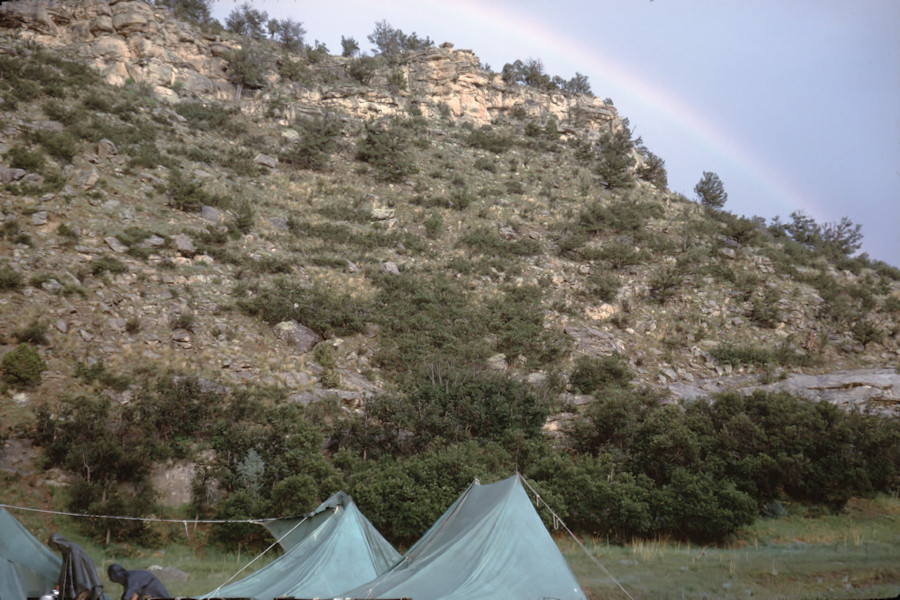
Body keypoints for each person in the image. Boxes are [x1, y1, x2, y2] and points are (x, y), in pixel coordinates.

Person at [46, 533, 104, 600]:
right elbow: (67, 573)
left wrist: (81, 589)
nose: (55, 550)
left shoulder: (73, 550)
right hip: (83, 587)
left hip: (84, 588)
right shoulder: (68, 551)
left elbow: (78, 572)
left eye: (54, 547)